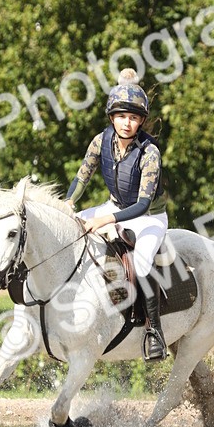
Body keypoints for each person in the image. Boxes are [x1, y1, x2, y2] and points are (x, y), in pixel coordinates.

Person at [66, 69, 168, 360]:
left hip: (149, 217)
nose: (127, 123)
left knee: (144, 264)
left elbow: (143, 205)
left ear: (141, 122)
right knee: (71, 227)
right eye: (122, 116)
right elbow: (82, 178)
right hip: (113, 206)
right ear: (112, 117)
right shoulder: (100, 141)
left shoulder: (150, 153)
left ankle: (154, 331)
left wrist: (105, 219)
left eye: (134, 118)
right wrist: (68, 203)